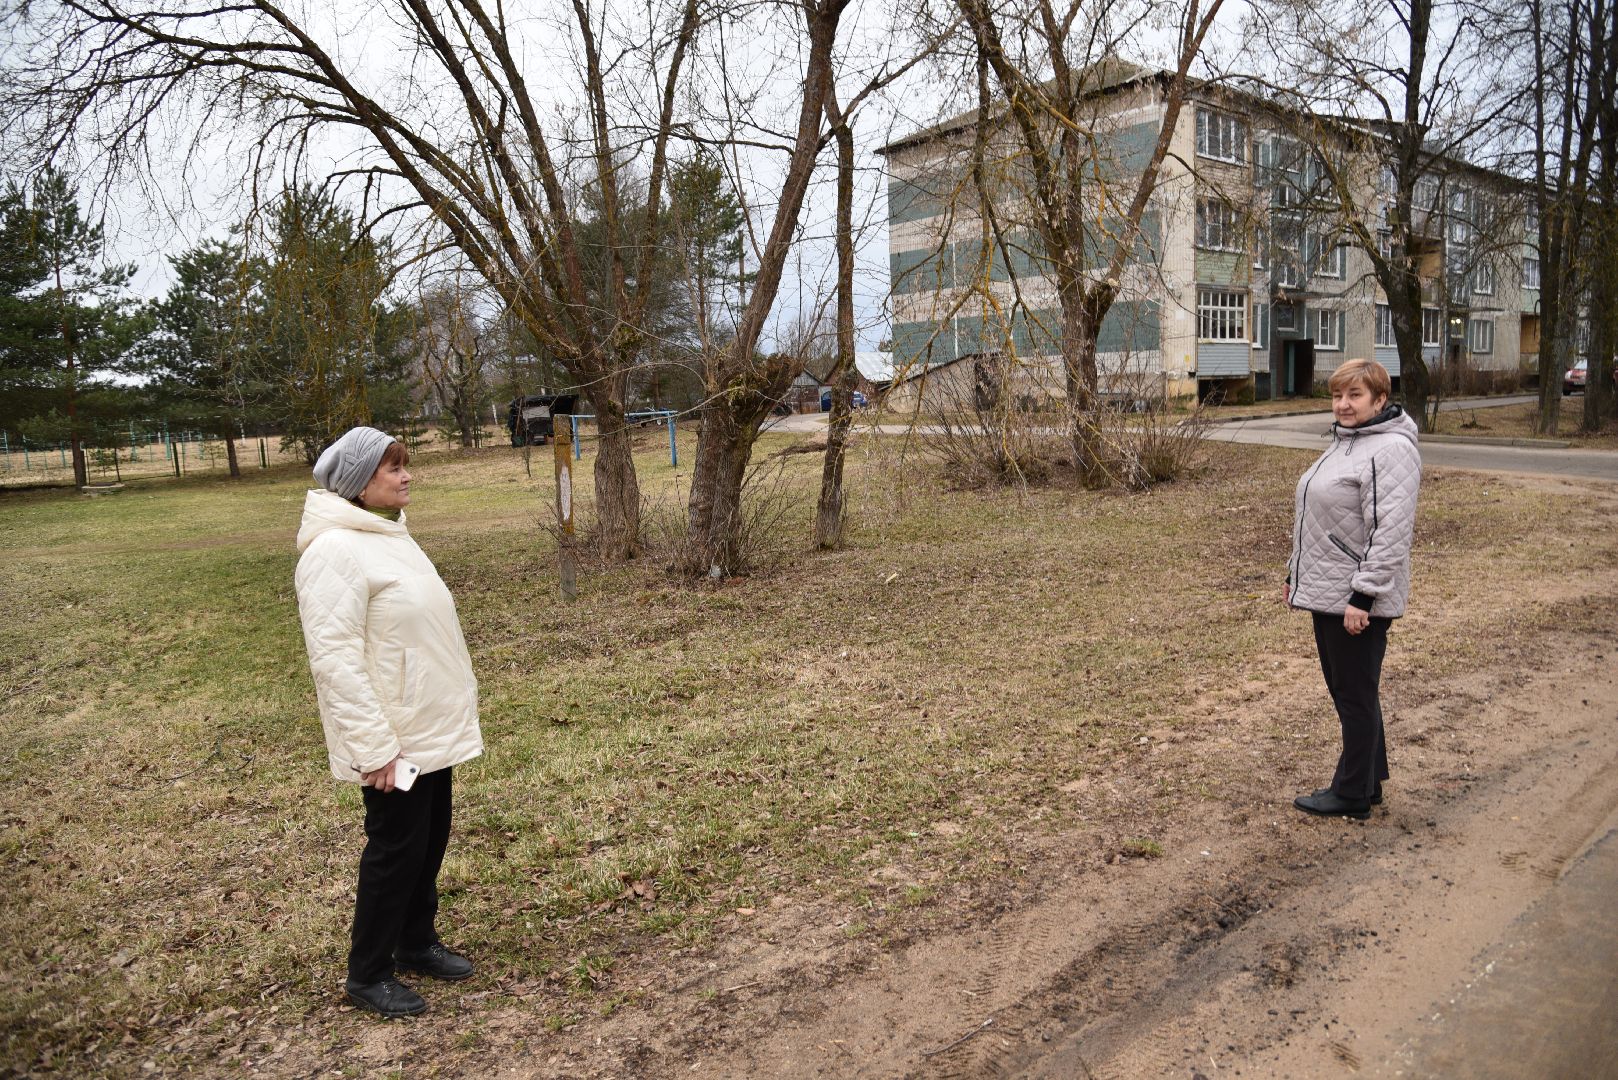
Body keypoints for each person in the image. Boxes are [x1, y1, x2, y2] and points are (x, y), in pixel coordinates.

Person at [294, 426, 483, 1018]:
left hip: (427, 725)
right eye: (393, 469)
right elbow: (335, 661)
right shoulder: (334, 551)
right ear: (358, 485)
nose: (407, 476)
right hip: (392, 737)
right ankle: (368, 973)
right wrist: (374, 748)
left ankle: (415, 942)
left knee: (428, 841)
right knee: (395, 849)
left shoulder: (390, 535)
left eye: (404, 466)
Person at [1287, 359, 1421, 821]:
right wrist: (1294, 576)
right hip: (1329, 590)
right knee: (1354, 690)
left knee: (1354, 695)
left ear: (1380, 399)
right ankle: (1368, 779)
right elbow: (1319, 521)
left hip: (1353, 597)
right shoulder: (1349, 442)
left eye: (1355, 395)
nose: (1343, 405)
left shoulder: (1390, 450)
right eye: (1337, 395)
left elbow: (1390, 533)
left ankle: (1351, 793)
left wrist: (1363, 597)